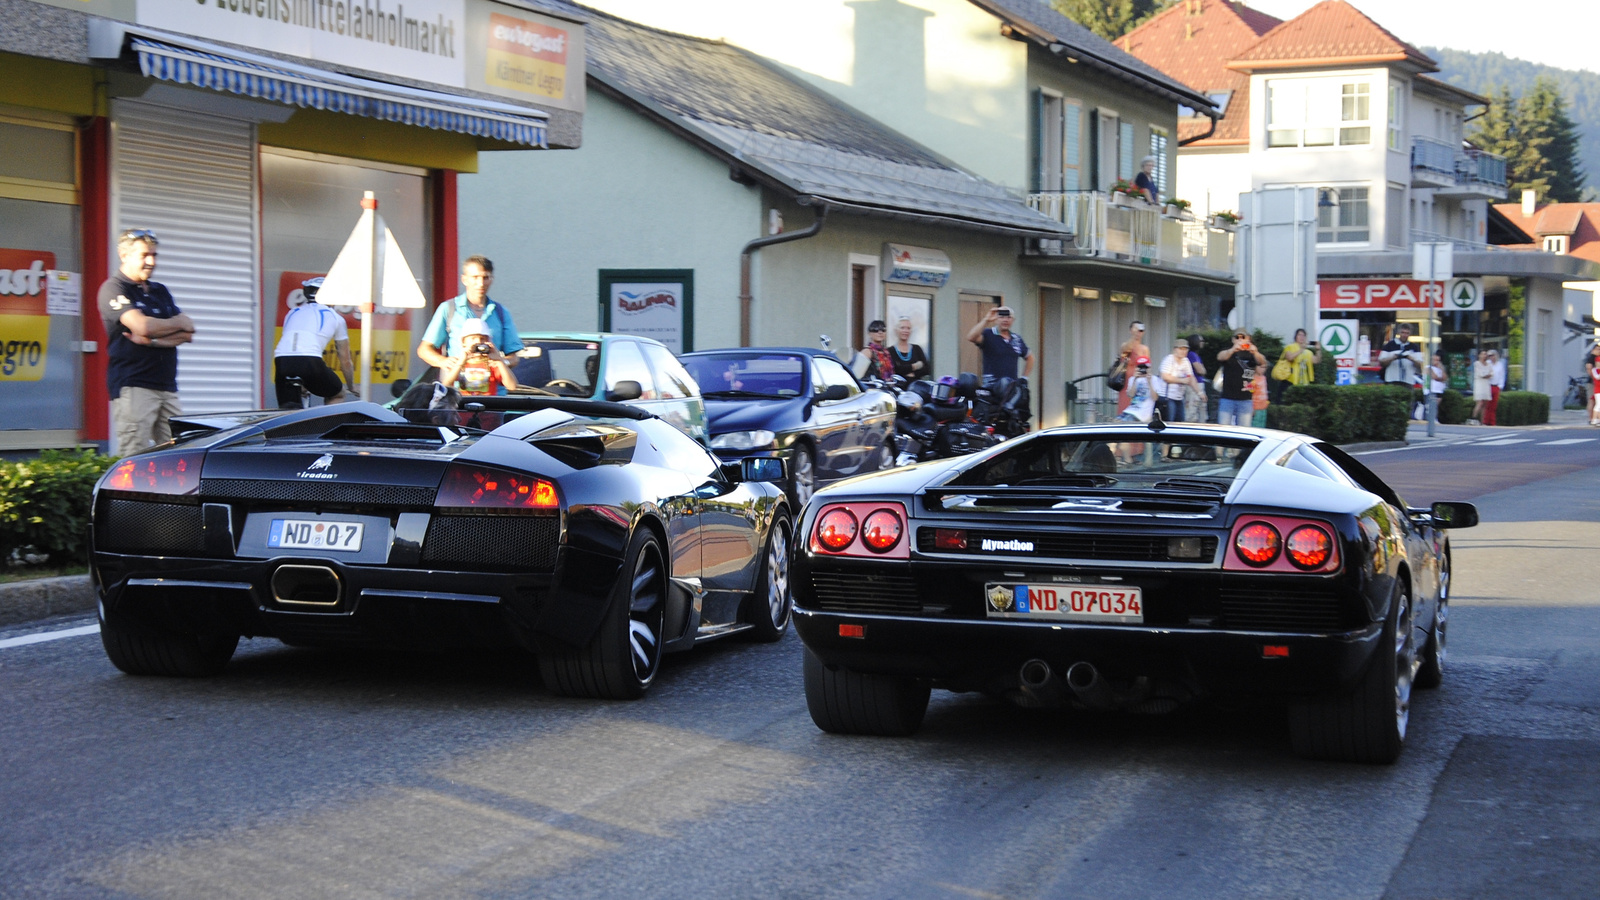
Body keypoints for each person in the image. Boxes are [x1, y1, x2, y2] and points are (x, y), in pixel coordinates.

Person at [98, 228, 195, 456]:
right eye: (144, 255)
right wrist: (175, 322)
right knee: (135, 457)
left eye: (154, 255)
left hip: (167, 387)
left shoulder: (160, 291)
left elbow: (188, 332)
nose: (151, 261)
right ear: (124, 255)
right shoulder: (114, 288)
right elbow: (142, 326)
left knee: (179, 454)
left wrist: (152, 341)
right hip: (134, 386)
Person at [417, 256, 519, 370]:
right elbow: (424, 350)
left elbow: (514, 357)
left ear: (491, 279)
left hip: (493, 386)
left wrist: (501, 362)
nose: (480, 283)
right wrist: (443, 361)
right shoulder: (449, 309)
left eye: (485, 277)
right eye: (475, 277)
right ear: (464, 279)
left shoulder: (501, 312)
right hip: (458, 385)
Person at [273, 277, 356, 408]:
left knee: (287, 409)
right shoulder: (336, 317)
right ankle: (329, 426)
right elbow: (345, 360)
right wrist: (351, 386)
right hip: (309, 360)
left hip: (282, 360)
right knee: (337, 393)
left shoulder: (292, 313)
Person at [438, 319, 518, 396]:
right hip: (465, 407)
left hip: (487, 407)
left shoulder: (492, 364)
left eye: (482, 339)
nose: (478, 342)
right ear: (463, 343)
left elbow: (512, 386)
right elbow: (445, 386)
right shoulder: (460, 364)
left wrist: (499, 361)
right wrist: (461, 362)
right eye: (473, 339)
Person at [966, 303, 1032, 383]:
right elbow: (971, 337)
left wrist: (1024, 378)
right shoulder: (988, 334)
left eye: (1009, 317)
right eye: (1001, 317)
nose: (1005, 320)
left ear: (1013, 320)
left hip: (1011, 387)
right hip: (991, 386)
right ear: (996, 319)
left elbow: (1030, 357)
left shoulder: (1016, 339)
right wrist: (986, 319)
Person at [1216, 331, 1266, 427]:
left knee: (1244, 430)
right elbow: (1220, 357)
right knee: (1223, 429)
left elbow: (1263, 362)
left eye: (1243, 337)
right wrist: (1233, 349)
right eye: (1237, 337)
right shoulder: (1228, 351)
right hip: (1227, 398)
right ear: (1233, 339)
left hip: (1245, 399)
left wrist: (1255, 352)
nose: (1240, 340)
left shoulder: (1251, 353)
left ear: (1248, 339)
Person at [1273, 328, 1321, 402]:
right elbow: (1289, 357)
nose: (1302, 337)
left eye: (1304, 335)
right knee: (1283, 402)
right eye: (1299, 335)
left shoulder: (1308, 352)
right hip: (1289, 380)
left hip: (1303, 382)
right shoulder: (1290, 347)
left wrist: (1318, 350)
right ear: (1295, 337)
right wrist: (1301, 350)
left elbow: (1316, 361)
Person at [1113, 321, 1150, 413]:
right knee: (1125, 406)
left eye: (1141, 330)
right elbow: (1126, 349)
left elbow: (1148, 365)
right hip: (1127, 380)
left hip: (1140, 381)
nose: (1138, 332)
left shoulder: (1145, 348)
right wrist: (1134, 336)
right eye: (1136, 329)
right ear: (1130, 330)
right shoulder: (1125, 345)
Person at [1158, 338, 1197, 423]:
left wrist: (1199, 392)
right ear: (1175, 349)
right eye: (1181, 349)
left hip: (1179, 397)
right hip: (1168, 397)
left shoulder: (1186, 361)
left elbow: (1191, 377)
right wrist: (1182, 380)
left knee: (1180, 422)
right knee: (1169, 423)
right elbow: (1165, 376)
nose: (1183, 351)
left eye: (1185, 349)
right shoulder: (1169, 359)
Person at [1115, 357, 1156, 424]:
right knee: (1116, 422)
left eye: (1144, 368)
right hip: (1130, 411)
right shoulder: (1132, 379)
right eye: (1140, 368)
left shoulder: (1154, 379)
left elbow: (1155, 398)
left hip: (1142, 414)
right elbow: (1130, 395)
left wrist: (1149, 382)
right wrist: (1135, 379)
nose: (1142, 370)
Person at [889, 316, 929, 380]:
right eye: (902, 328)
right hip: (898, 387)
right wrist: (915, 366)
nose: (906, 331)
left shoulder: (917, 349)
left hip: (916, 387)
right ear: (896, 330)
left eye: (908, 328)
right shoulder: (890, 351)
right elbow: (895, 370)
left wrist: (914, 374)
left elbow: (926, 369)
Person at [1183, 333, 1207, 423]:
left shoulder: (1197, 355)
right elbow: (1200, 370)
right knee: (1192, 411)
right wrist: (1203, 370)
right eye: (1200, 341)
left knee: (1201, 409)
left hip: (1199, 384)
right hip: (1194, 385)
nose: (1202, 343)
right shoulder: (1191, 354)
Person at [1425, 353, 1447, 435]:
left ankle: (1435, 417)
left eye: (1438, 360)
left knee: (1437, 404)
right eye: (1435, 360)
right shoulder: (1428, 368)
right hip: (1431, 389)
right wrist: (1440, 378)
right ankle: (1430, 418)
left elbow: (1444, 378)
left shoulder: (1440, 369)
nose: (1437, 362)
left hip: (1439, 389)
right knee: (1432, 404)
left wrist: (1441, 369)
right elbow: (1434, 377)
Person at [1471, 350, 1493, 424]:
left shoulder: (1489, 364)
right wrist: (1487, 375)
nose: (1484, 356)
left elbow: (1491, 373)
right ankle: (1473, 418)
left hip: (1486, 384)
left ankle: (1482, 421)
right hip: (1479, 384)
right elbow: (1481, 374)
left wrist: (1487, 375)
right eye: (1483, 354)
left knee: (1485, 403)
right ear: (1479, 355)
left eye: (1485, 354)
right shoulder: (1477, 364)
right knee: (1479, 402)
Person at [1487, 349, 1506, 426]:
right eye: (1490, 356)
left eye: (1493, 355)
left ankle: (1492, 422)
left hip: (1496, 386)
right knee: (1487, 405)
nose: (1492, 357)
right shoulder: (1488, 364)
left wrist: (1500, 386)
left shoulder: (1500, 364)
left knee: (1493, 406)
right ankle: (1486, 421)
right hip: (1488, 386)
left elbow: (1502, 376)